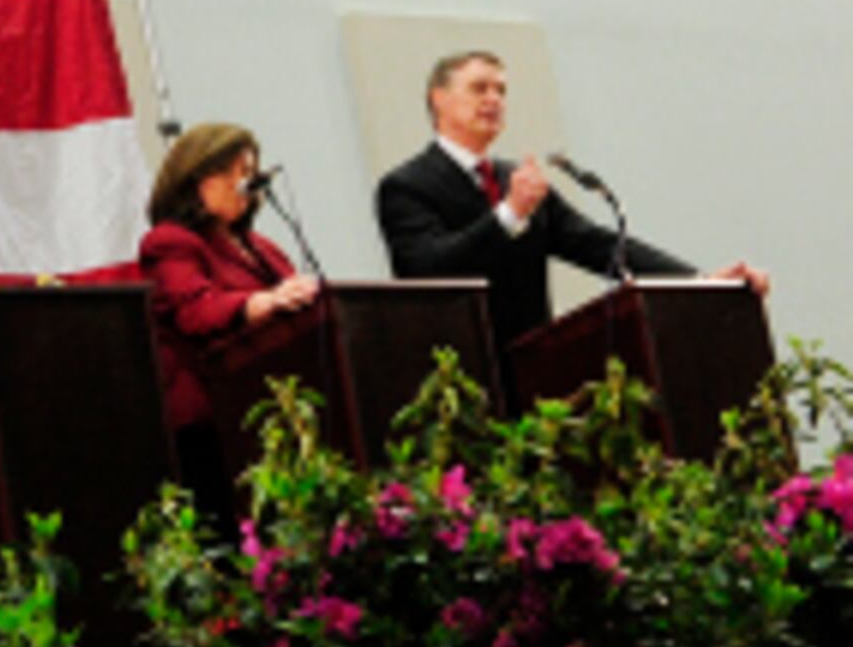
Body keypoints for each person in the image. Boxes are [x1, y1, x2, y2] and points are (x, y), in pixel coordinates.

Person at [372, 50, 759, 348]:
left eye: (501, 90)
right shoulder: (407, 186)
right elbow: (426, 271)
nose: (494, 99)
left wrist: (699, 283)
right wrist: (507, 214)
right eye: (479, 88)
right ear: (438, 100)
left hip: (533, 365)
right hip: (459, 375)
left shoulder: (517, 180)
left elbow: (598, 245)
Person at [139, 122, 319, 492]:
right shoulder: (170, 243)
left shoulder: (261, 247)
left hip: (277, 411)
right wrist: (262, 302)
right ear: (197, 179)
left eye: (252, 173)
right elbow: (195, 310)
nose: (247, 186)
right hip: (214, 419)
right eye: (236, 173)